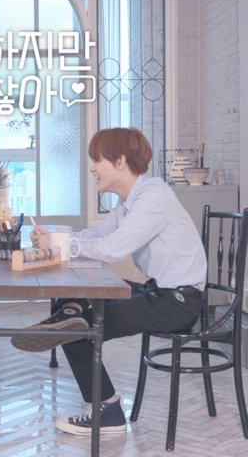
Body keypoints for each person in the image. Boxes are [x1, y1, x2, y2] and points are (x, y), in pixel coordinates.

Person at [11, 128, 207, 436]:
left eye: (97, 160)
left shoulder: (153, 197)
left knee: (77, 332)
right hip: (158, 291)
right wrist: (57, 239)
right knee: (75, 297)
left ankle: (109, 410)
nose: (92, 168)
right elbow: (99, 235)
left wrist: (62, 246)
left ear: (120, 161)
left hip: (178, 303)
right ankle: (66, 316)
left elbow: (113, 250)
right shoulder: (129, 201)